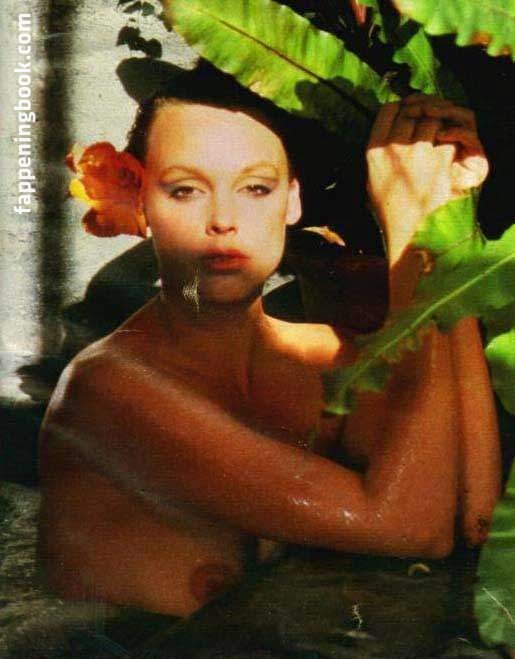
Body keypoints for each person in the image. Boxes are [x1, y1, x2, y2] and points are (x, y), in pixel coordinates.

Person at [37, 66, 501, 618]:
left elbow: (475, 514)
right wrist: (404, 223)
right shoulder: (106, 388)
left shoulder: (330, 358)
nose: (223, 221)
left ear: (292, 200)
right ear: (142, 203)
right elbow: (410, 530)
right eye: (185, 190)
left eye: (256, 188)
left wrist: (443, 219)